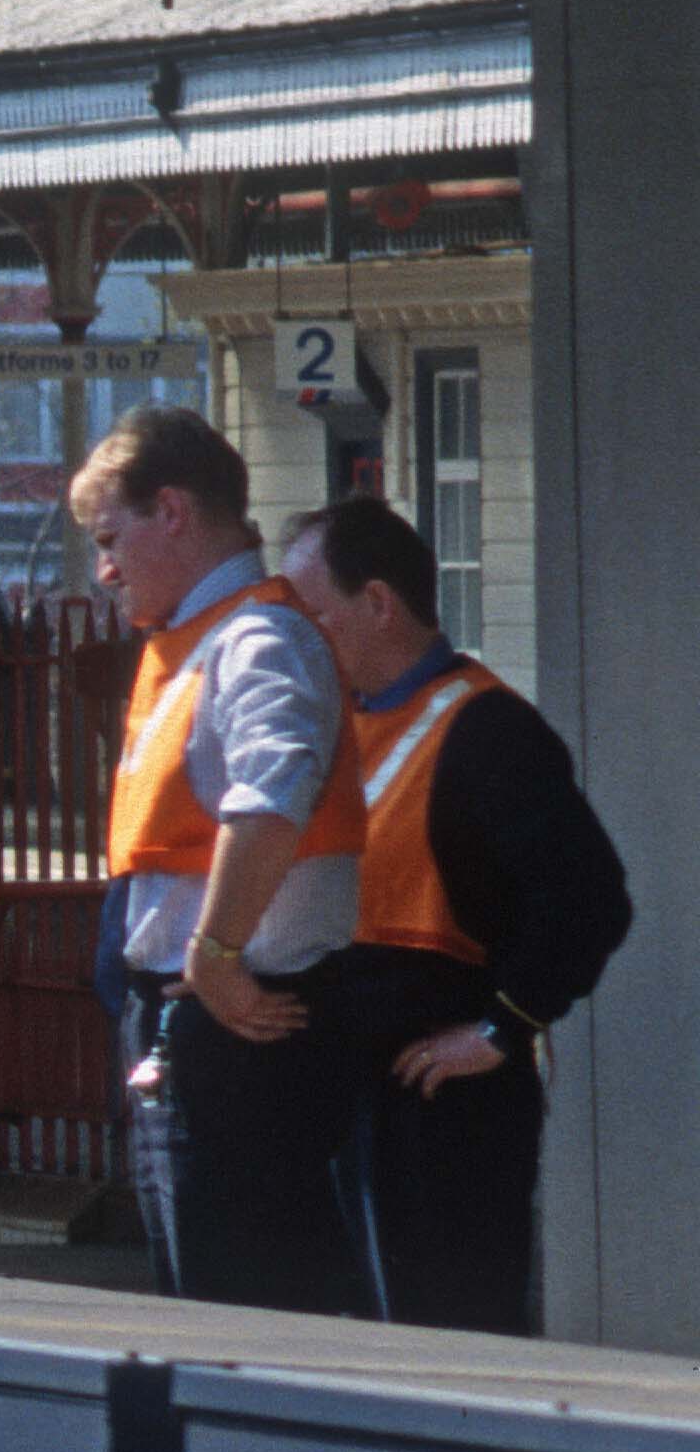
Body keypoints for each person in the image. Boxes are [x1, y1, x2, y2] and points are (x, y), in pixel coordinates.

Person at [280, 496, 636, 1333]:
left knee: (449, 1339)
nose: (299, 640)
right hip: (355, 1094)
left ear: (378, 602)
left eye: (314, 617)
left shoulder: (486, 728)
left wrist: (502, 1028)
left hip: (441, 1110)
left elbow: (589, 896)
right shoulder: (344, 722)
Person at [70, 405, 363, 1312]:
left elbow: (273, 791)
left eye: (109, 538)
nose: (104, 569)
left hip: (238, 1030)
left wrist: (214, 953)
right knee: (218, 1299)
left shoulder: (255, 640)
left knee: (239, 1311)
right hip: (213, 1024)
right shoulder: (208, 642)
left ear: (172, 511)